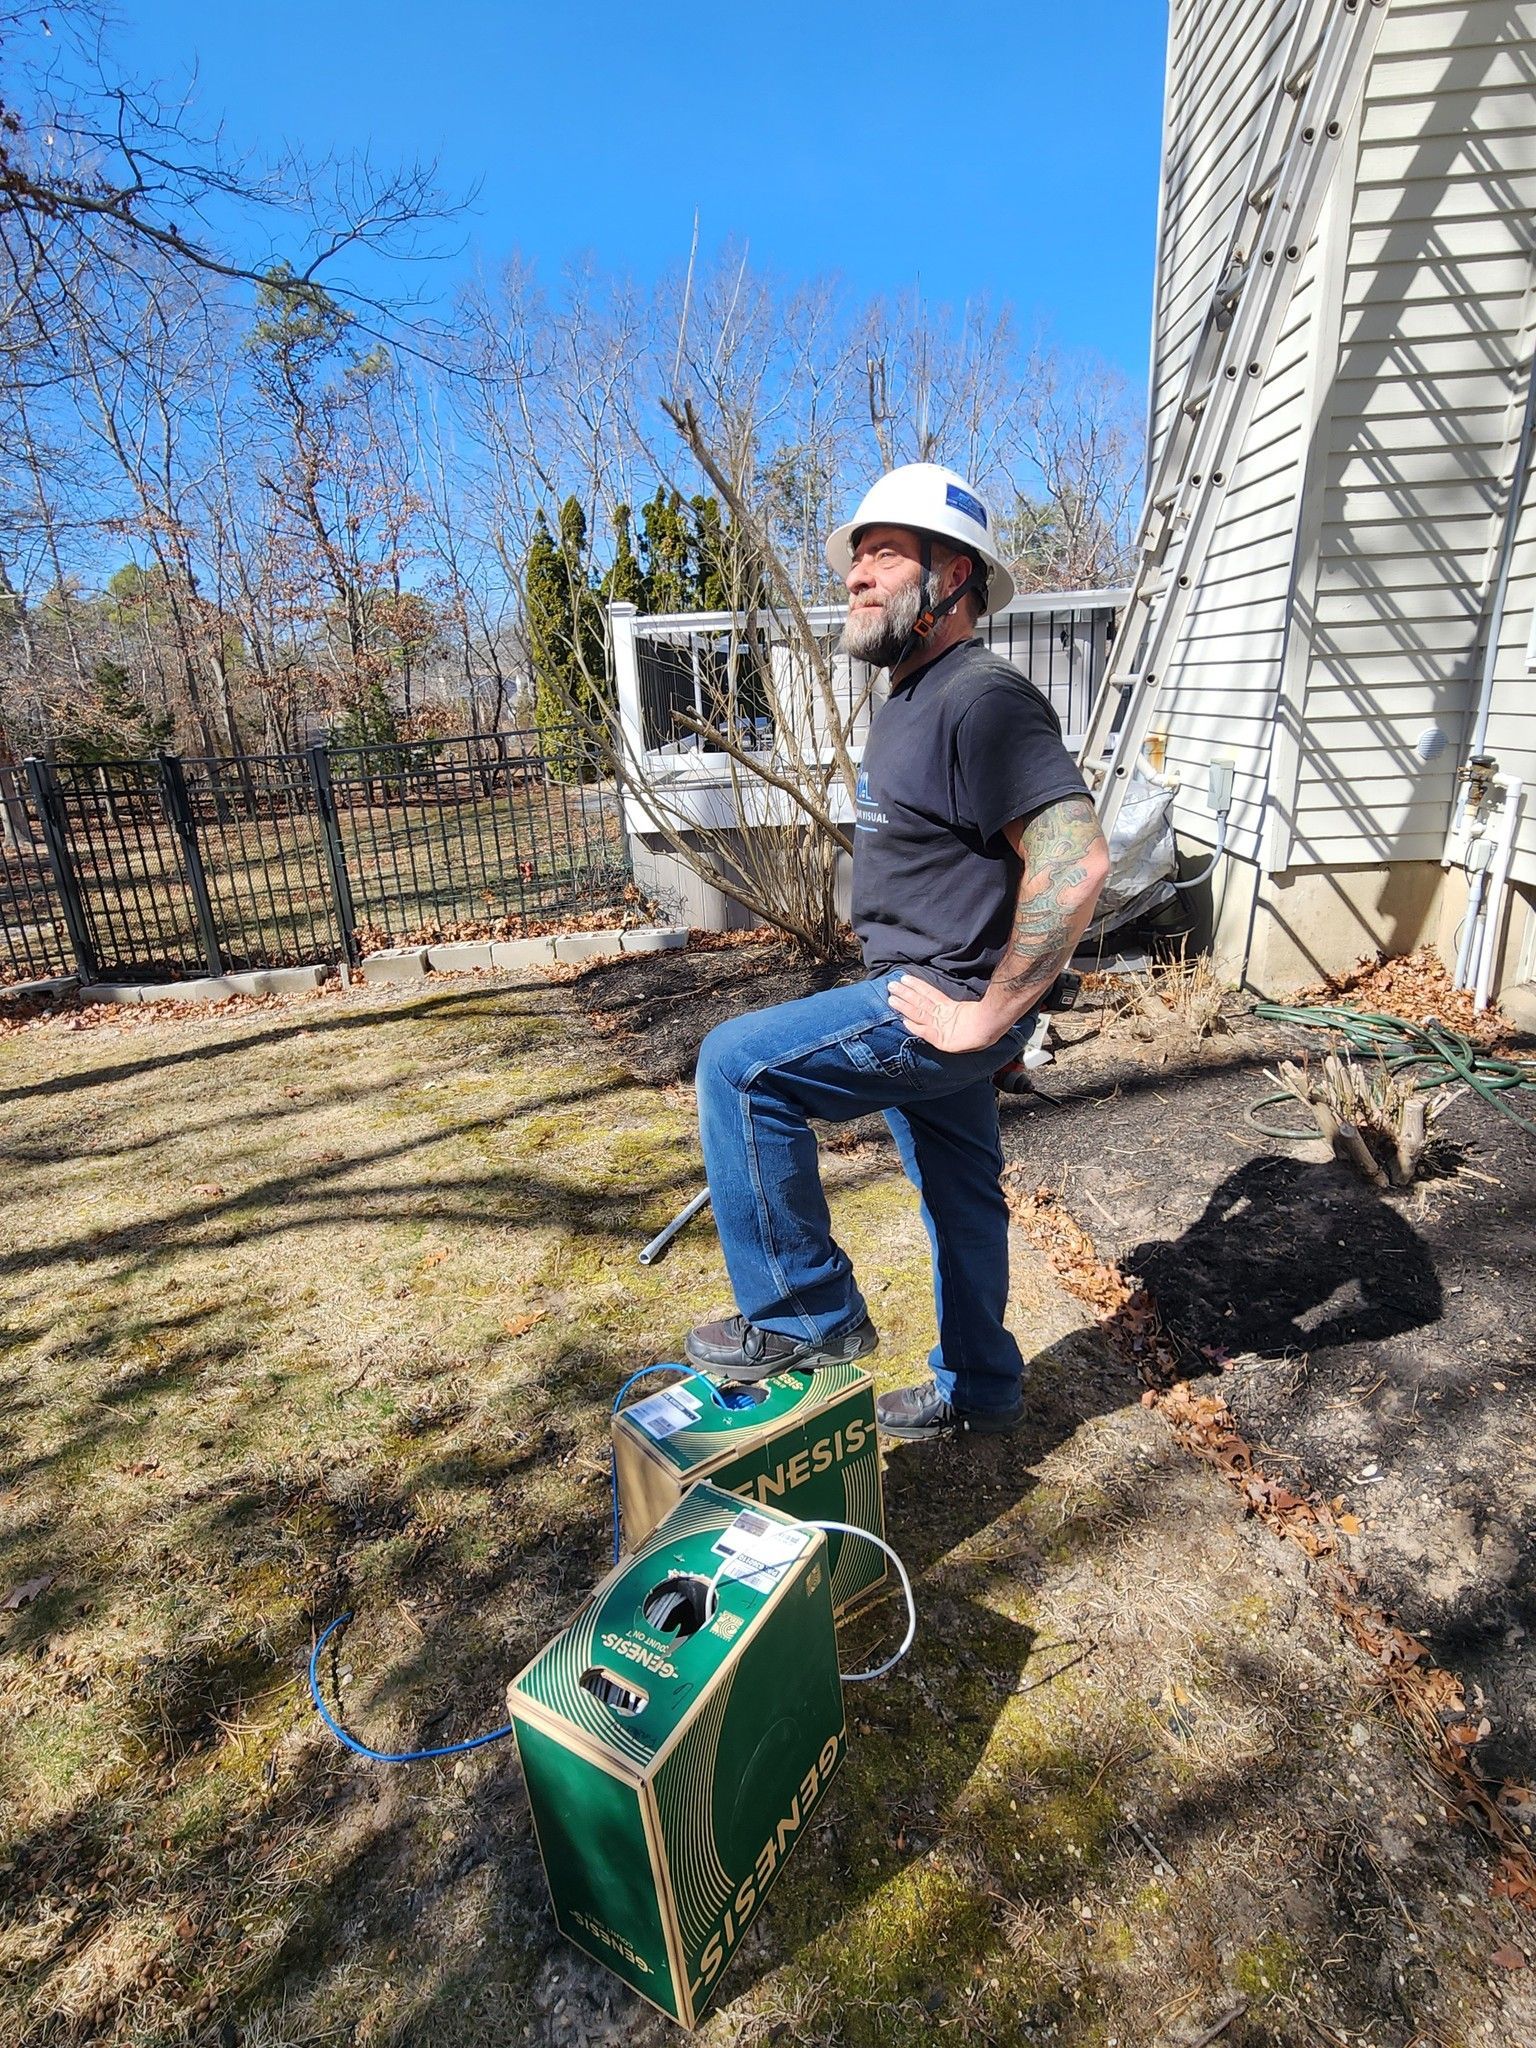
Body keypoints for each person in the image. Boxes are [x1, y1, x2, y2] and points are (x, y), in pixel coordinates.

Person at [685, 463, 1110, 1439]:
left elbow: (1073, 859)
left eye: (883, 554)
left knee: (740, 1068)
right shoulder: (911, 698)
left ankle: (804, 1315)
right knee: (962, 1202)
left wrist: (991, 1013)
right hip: (921, 987)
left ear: (952, 574)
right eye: (856, 557)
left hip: (939, 999)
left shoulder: (983, 698)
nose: (856, 574)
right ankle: (983, 1388)